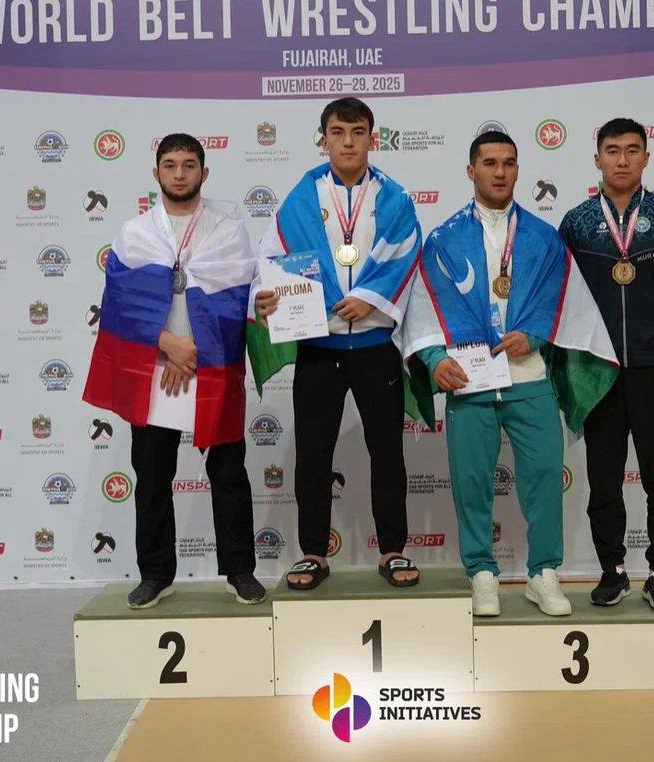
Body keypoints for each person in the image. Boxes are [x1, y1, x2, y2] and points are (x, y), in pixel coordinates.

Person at [400, 131, 618, 616]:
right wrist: (435, 360)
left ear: (518, 169)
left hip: (529, 378)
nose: (500, 172)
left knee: (545, 477)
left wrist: (535, 336)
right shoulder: (443, 238)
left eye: (509, 163)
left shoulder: (543, 237)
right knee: (470, 481)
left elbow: (564, 302)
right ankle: (482, 573)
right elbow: (423, 308)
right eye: (490, 163)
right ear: (471, 170)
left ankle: (543, 574)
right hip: (471, 383)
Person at [83, 133, 264, 609]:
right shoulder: (135, 233)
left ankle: (240, 571)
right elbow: (120, 306)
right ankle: (156, 573)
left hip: (212, 364)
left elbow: (240, 299)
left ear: (204, 172)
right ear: (156, 172)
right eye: (170, 165)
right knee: (152, 476)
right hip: (155, 367)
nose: (179, 174)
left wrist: (195, 352)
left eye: (188, 165)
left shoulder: (227, 230)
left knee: (228, 472)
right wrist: (169, 345)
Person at [251, 98, 424, 590]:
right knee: (312, 454)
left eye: (358, 132)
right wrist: (261, 297)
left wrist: (371, 299)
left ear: (373, 138)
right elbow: (271, 258)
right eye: (338, 132)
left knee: (387, 452)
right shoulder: (301, 198)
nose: (348, 142)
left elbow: (407, 256)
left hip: (374, 344)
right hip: (319, 348)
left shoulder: (395, 198)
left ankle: (393, 550)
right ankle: (312, 552)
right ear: (323, 138)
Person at [559, 118, 654, 614]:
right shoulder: (577, 223)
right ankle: (612, 571)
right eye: (612, 150)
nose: (622, 159)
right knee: (603, 480)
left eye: (631, 150)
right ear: (597, 158)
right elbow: (557, 298)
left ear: (646, 157)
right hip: (598, 372)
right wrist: (562, 367)